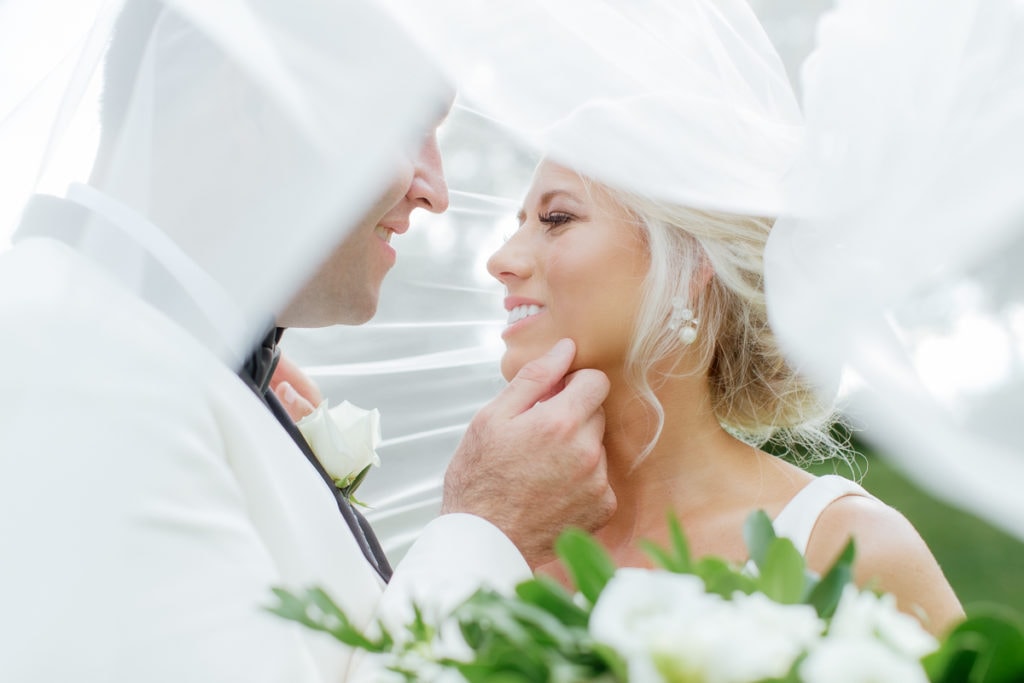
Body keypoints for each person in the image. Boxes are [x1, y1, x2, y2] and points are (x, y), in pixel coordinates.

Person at [0, 1, 612, 681]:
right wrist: (488, 527)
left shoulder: (147, 356)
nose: (436, 191)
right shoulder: (82, 371)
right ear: (251, 103)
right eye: (411, 125)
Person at [485, 156, 964, 636]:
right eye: (519, 223)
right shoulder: (497, 543)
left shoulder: (848, 548)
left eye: (556, 219)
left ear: (693, 260)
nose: (501, 261)